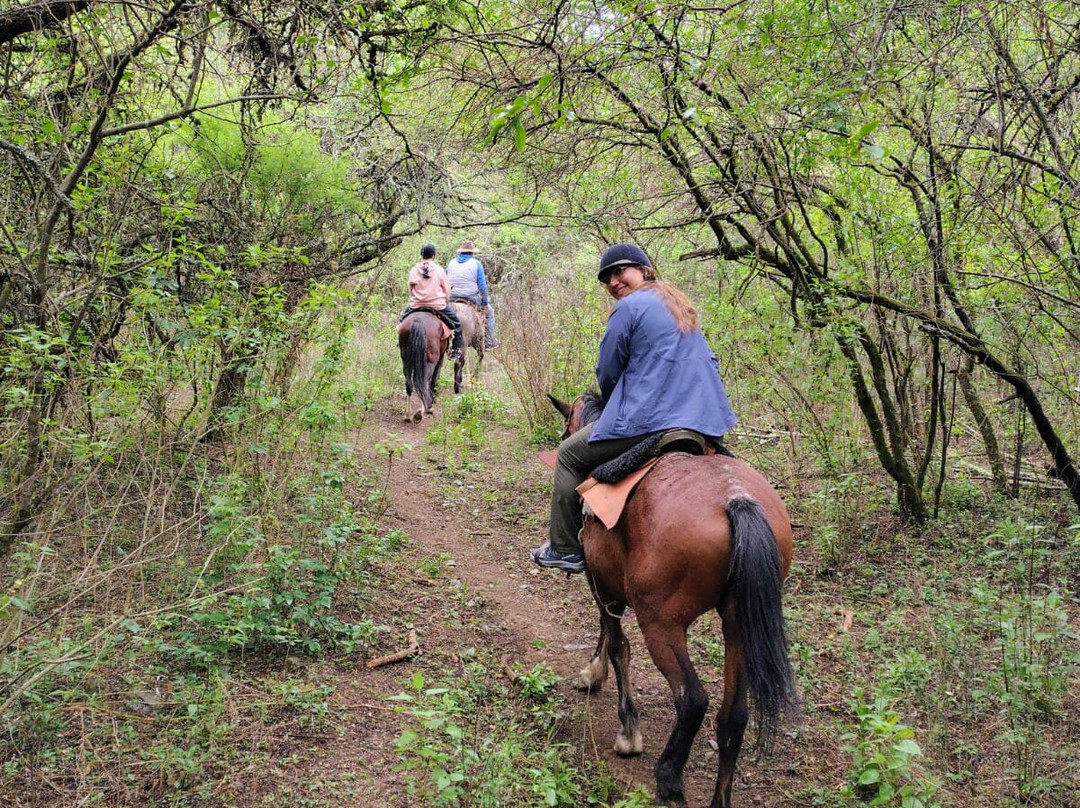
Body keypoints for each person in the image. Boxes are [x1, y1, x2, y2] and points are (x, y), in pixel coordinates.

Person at [530, 243, 738, 573]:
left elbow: (608, 370)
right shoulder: (678, 304)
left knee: (568, 455)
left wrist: (615, 403)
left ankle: (565, 549)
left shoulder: (628, 308)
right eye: (606, 279)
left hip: (654, 419)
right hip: (704, 419)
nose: (613, 282)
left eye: (619, 271)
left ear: (644, 269)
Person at [400, 243, 463, 359]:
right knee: (457, 324)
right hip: (437, 306)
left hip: (416, 304)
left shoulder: (414, 270)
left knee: (402, 321)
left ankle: (401, 342)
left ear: (421, 255)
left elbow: (410, 289)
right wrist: (445, 299)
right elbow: (447, 290)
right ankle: (455, 349)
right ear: (433, 255)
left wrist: (416, 298)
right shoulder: (439, 270)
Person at [446, 239, 498, 349]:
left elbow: (445, 280)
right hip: (470, 297)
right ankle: (489, 341)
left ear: (460, 252)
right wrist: (485, 302)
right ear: (472, 253)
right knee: (490, 312)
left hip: (452, 297)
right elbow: (482, 286)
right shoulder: (476, 264)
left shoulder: (451, 263)